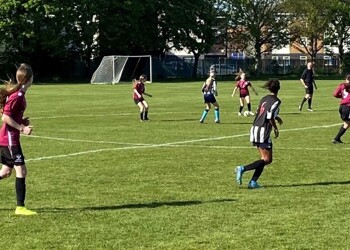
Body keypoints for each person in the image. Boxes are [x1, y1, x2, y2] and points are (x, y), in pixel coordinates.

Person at [0, 63, 37, 215]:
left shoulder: (20, 95)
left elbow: (12, 116)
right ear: (29, 79)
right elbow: (5, 117)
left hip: (9, 139)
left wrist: (22, 121)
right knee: (21, 170)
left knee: (6, 172)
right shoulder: (18, 96)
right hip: (9, 140)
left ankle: (20, 207)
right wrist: (22, 128)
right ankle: (20, 207)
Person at [235, 79, 283, 189]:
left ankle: (253, 182)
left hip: (255, 128)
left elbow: (260, 112)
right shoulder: (276, 101)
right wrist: (275, 128)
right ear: (278, 88)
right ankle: (242, 168)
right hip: (263, 130)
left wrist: (277, 117)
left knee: (263, 159)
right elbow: (270, 116)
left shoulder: (264, 98)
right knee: (267, 160)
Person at [332, 75, 350, 144]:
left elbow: (335, 94)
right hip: (348, 107)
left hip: (342, 106)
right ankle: (336, 138)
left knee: (347, 123)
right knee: (347, 124)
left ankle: (337, 138)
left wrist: (342, 97)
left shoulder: (341, 85)